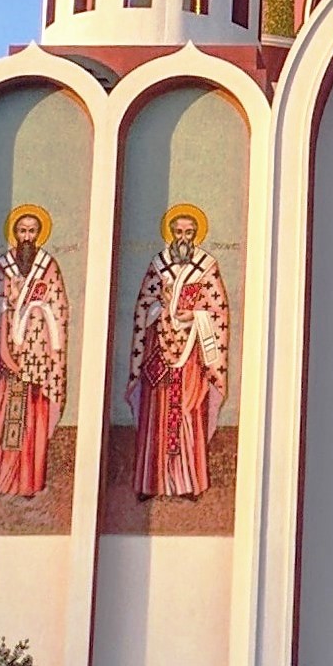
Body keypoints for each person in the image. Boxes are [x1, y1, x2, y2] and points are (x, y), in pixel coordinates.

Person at [127, 206, 231, 498]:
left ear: (195, 235)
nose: (183, 238)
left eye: (189, 232)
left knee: (188, 411)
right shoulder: (158, 265)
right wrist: (162, 308)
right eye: (178, 232)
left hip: (192, 355)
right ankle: (152, 482)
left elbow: (217, 310)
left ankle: (187, 483)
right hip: (158, 350)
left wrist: (195, 316)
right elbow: (143, 306)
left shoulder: (206, 266)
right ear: (170, 234)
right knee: (156, 414)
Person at [0, 207, 68, 497]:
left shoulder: (48, 267)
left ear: (39, 234)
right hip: (2, 357)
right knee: (0, 419)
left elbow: (59, 309)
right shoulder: (2, 266)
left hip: (35, 358)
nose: (27, 237)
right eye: (22, 231)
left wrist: (36, 314)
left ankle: (28, 482)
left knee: (30, 422)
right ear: (14, 234)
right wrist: (7, 308)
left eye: (32, 231)